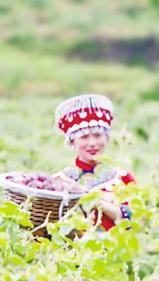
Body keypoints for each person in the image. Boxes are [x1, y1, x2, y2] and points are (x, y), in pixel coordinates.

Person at [53, 94, 135, 231]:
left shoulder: (123, 179)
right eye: (84, 137)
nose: (92, 143)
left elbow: (133, 221)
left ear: (106, 137)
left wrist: (94, 199)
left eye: (97, 135)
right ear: (73, 141)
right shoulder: (59, 182)